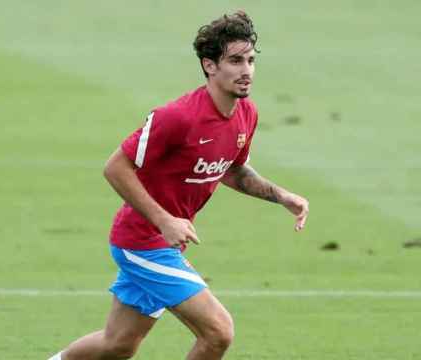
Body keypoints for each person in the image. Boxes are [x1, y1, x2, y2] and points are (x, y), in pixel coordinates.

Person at [48, 10, 309, 360]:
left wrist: (282, 196)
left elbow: (232, 170)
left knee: (118, 344)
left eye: (250, 60)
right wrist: (164, 221)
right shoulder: (178, 117)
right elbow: (115, 168)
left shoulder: (246, 114)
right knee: (218, 332)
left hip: (163, 244)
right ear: (209, 66)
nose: (246, 70)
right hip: (142, 242)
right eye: (234, 60)